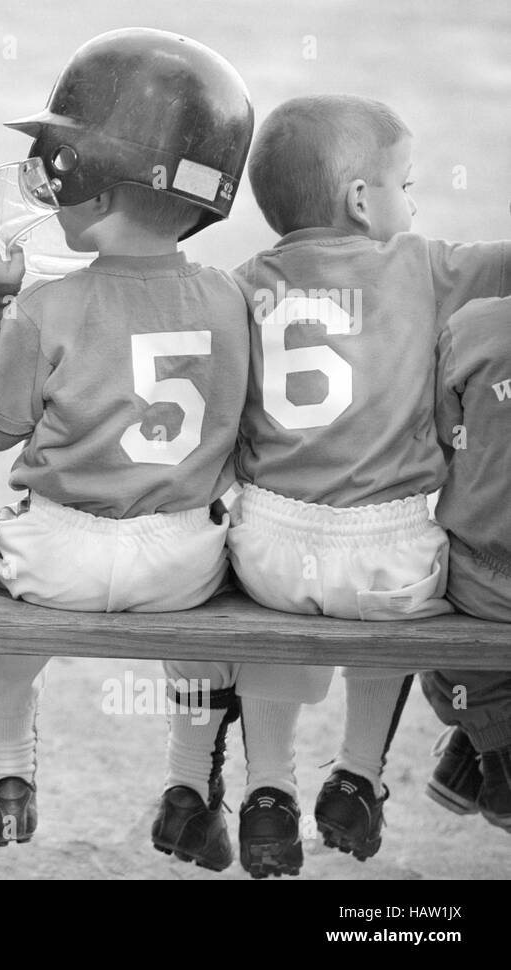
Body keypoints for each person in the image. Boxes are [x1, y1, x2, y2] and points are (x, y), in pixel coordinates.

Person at [0, 28, 254, 864]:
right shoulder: (230, 299)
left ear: (89, 179)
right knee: (215, 642)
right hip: (179, 559)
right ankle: (192, 785)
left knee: (2, 629)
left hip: (60, 551)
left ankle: (8, 769)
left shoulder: (49, 308)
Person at [227, 94, 511, 876]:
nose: (414, 203)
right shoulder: (420, 265)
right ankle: (359, 771)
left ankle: (268, 790)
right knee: (411, 583)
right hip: (389, 557)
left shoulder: (245, 282)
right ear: (362, 199)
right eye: (407, 186)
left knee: (263, 613)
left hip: (271, 551)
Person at [421, 295, 511, 833]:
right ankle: (486, 753)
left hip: (486, 583)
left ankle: (490, 749)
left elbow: (441, 445)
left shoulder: (474, 327)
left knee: (432, 601)